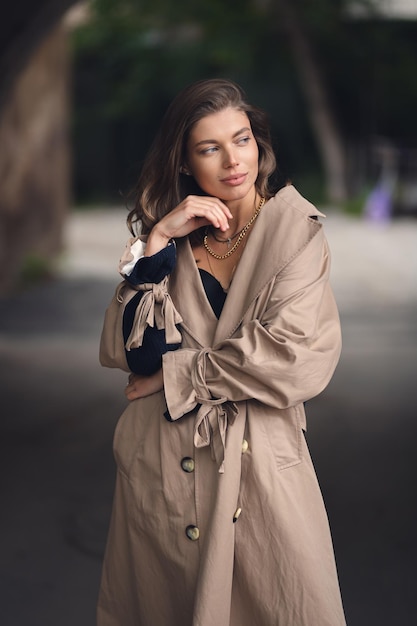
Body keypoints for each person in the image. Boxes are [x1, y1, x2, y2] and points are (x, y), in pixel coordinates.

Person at [97, 78, 346, 626]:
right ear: (185, 162)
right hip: (163, 470)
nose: (233, 161)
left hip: (260, 471)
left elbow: (296, 356)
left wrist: (178, 375)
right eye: (210, 148)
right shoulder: (169, 239)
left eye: (242, 140)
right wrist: (158, 242)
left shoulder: (296, 233)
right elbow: (131, 353)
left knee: (287, 602)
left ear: (259, 144)